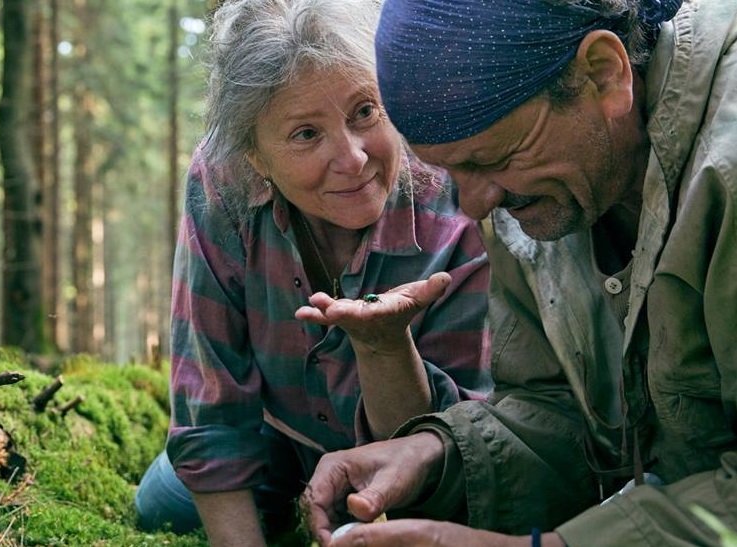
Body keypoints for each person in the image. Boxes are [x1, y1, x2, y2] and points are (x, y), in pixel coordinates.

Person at [303, 0, 737, 545]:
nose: (476, 206)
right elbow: (558, 410)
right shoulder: (543, 198)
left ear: (604, 72)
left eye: (490, 160)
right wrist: (440, 455)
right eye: (451, 171)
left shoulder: (728, 170)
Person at [132, 0, 493, 544]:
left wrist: (385, 349)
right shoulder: (221, 181)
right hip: (274, 433)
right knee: (163, 506)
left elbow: (455, 441)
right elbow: (211, 400)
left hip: (417, 458)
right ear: (256, 157)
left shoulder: (452, 188)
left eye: (365, 112)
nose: (351, 159)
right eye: (306, 134)